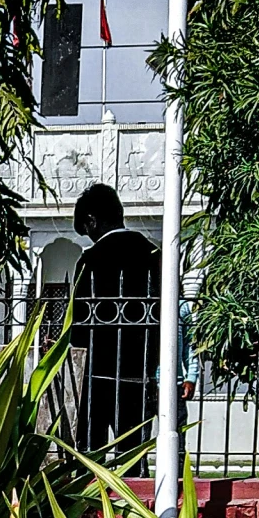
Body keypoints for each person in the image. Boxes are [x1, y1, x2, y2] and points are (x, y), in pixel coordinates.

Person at [70, 183, 159, 456]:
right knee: (133, 455)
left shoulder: (90, 262)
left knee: (89, 453)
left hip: (96, 375)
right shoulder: (153, 256)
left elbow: (80, 325)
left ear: (92, 220)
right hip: (139, 373)